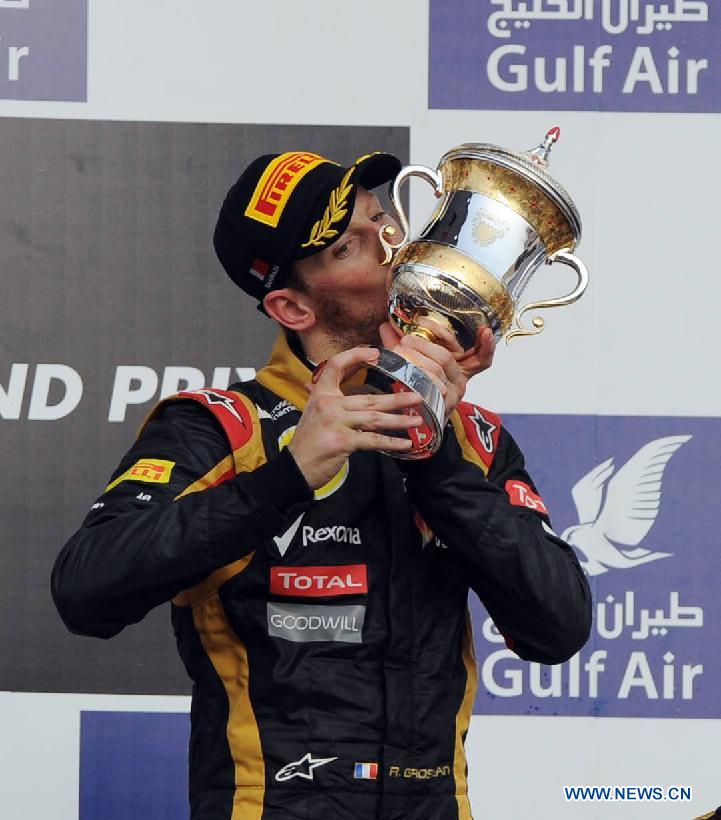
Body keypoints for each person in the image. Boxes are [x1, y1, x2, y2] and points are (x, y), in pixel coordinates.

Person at [52, 149, 592, 820]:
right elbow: (84, 592)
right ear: (292, 305)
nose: (391, 250)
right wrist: (286, 475)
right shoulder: (223, 429)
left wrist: (431, 457)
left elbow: (557, 629)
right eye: (347, 247)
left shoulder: (470, 440)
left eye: (381, 221)